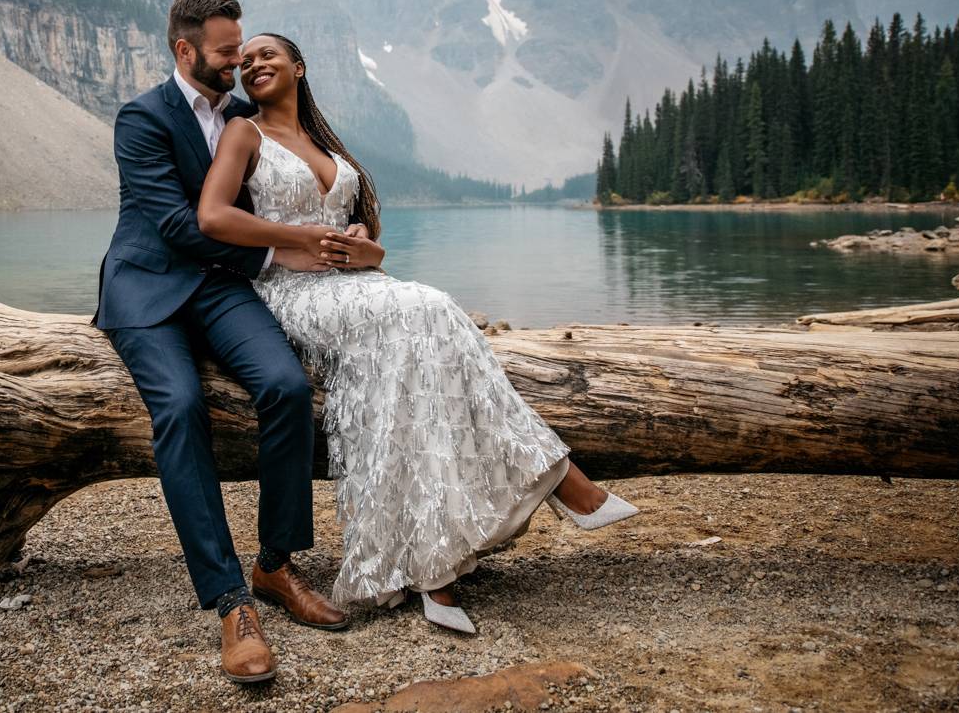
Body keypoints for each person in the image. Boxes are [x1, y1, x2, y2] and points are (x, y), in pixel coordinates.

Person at [196, 31, 639, 634]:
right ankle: (558, 476)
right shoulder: (244, 133)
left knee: (411, 367)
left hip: (355, 287)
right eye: (244, 61)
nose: (252, 65)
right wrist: (295, 240)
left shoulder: (326, 142)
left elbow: (371, 243)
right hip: (291, 292)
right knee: (427, 307)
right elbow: (213, 216)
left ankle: (436, 568)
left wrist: (364, 251)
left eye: (266, 54)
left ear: (298, 67)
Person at [95, 0, 353, 685]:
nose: (239, 61)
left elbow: (258, 205)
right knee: (178, 408)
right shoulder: (141, 118)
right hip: (147, 289)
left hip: (220, 288)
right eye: (226, 51)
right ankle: (231, 599)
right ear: (185, 51)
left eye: (242, 48)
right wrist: (288, 249)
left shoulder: (242, 116)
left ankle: (275, 562)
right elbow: (184, 227)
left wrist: (336, 238)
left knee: (287, 386)